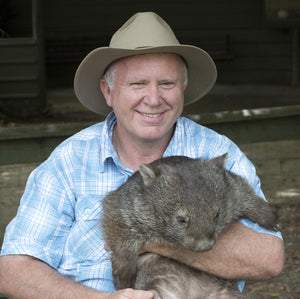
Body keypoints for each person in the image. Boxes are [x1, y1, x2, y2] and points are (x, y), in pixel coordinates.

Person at [0, 12, 284, 299]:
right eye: (137, 84)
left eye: (167, 84)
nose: (153, 98)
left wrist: (148, 240)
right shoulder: (69, 161)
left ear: (182, 89)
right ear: (108, 92)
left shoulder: (216, 153)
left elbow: (269, 258)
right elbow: (12, 269)